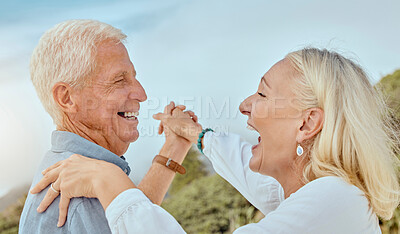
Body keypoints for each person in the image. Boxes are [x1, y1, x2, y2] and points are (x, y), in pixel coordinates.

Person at [31, 48, 400, 233]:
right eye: (119, 80)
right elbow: (244, 165)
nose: (244, 105)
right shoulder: (321, 195)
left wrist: (107, 181)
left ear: (307, 124)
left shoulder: (332, 201)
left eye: (263, 95)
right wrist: (193, 137)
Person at [20, 19, 196, 233]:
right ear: (66, 98)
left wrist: (175, 145)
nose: (141, 94)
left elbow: (133, 219)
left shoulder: (78, 171)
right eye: (120, 80)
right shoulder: (82, 195)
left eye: (134, 77)